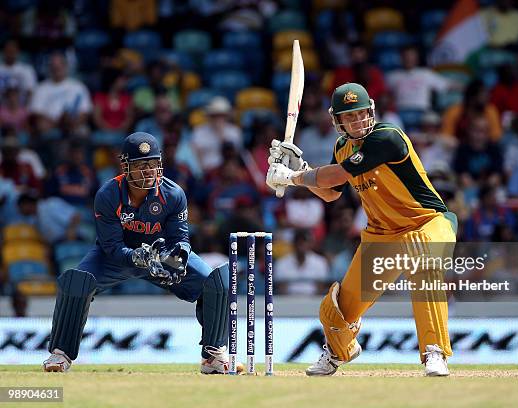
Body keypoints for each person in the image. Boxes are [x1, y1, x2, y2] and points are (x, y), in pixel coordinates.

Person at [266, 83, 457, 377]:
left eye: (360, 113)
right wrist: (299, 167)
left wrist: (292, 177)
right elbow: (331, 191)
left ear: (370, 112)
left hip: (428, 222)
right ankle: (339, 350)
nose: (356, 121)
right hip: (383, 236)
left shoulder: (387, 137)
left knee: (423, 262)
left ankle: (435, 352)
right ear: (338, 121)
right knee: (337, 310)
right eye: (349, 116)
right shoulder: (342, 148)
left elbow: (341, 173)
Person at [42, 132, 240, 375]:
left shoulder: (174, 194)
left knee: (216, 282)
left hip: (161, 256)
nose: (148, 171)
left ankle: (214, 356)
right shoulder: (108, 194)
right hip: (115, 257)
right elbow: (111, 247)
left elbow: (181, 238)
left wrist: (179, 257)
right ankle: (60, 354)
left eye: (152, 164)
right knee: (76, 283)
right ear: (125, 167)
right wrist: (137, 256)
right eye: (140, 165)